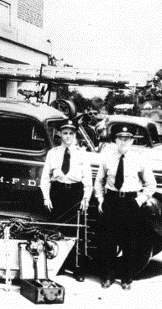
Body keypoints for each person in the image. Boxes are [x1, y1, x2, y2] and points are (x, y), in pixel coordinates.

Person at [94, 126, 162, 291]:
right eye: (120, 138)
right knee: (108, 241)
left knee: (129, 242)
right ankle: (108, 277)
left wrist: (139, 200)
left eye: (127, 139)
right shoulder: (107, 159)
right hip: (111, 201)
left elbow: (150, 184)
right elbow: (99, 181)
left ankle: (126, 278)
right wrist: (100, 199)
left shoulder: (139, 160)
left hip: (130, 203)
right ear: (115, 140)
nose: (123, 141)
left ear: (132, 141)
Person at [40, 119, 92, 281]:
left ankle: (78, 268)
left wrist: (85, 198)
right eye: (65, 133)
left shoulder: (82, 153)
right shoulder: (53, 153)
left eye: (71, 133)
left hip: (75, 192)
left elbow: (88, 179)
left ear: (75, 135)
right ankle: (58, 265)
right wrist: (46, 197)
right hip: (57, 192)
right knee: (57, 229)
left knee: (76, 231)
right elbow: (44, 178)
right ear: (60, 135)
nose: (68, 136)